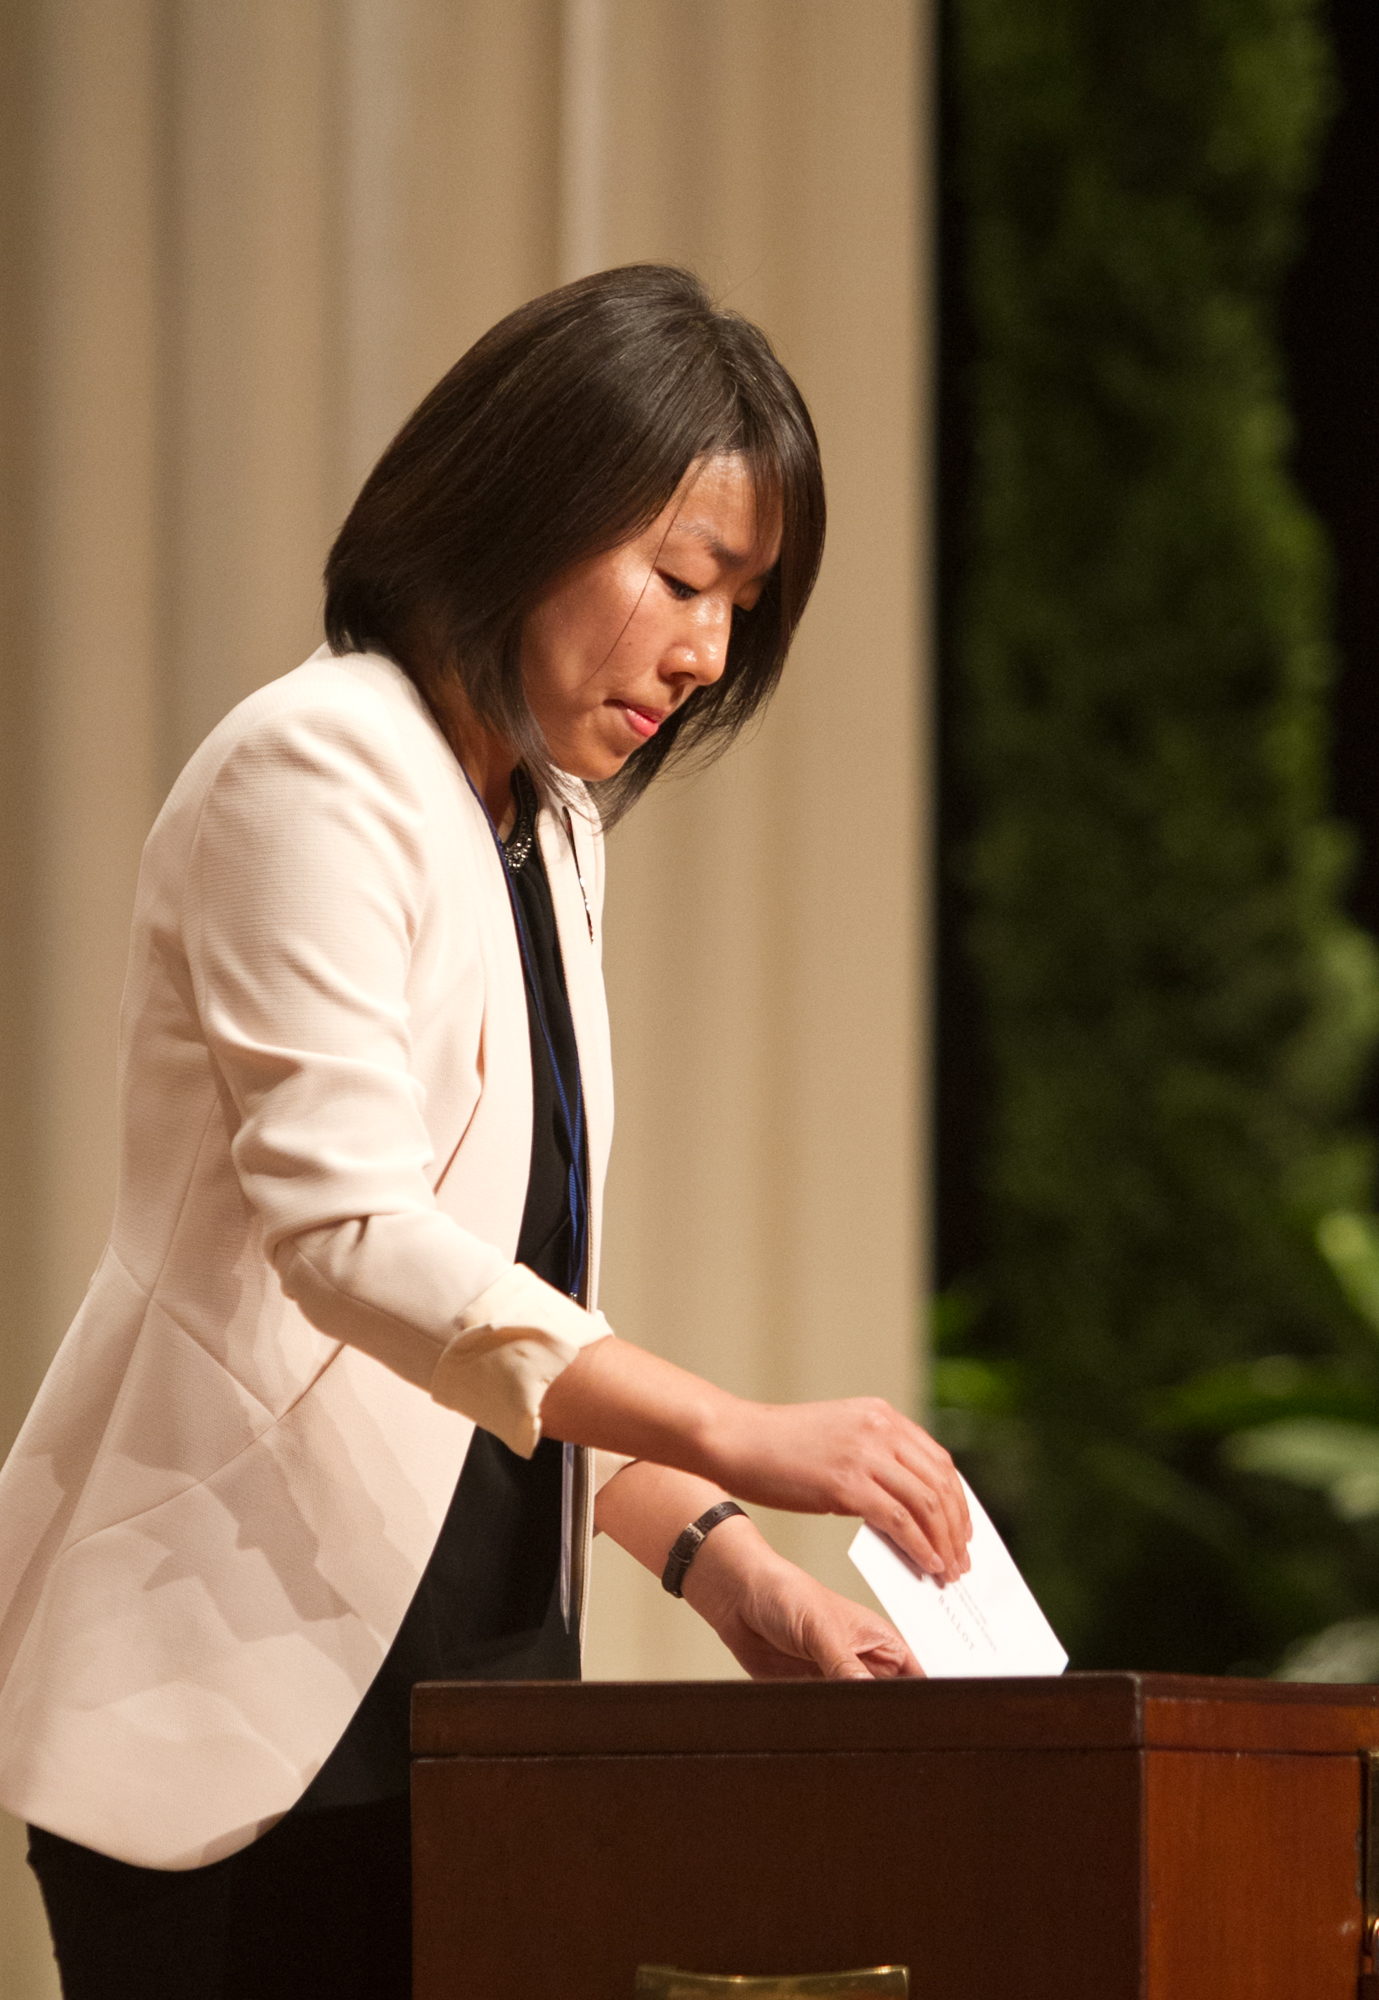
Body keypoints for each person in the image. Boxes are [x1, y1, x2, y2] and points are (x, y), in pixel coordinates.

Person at [0, 265, 970, 1999]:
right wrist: (738, 1434)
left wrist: (716, 1559)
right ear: (521, 511)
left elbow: (501, 1313)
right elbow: (358, 1243)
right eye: (681, 578)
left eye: (741, 603)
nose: (706, 650)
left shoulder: (551, 826)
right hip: (241, 1693)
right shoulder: (314, 764)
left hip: (481, 1695)